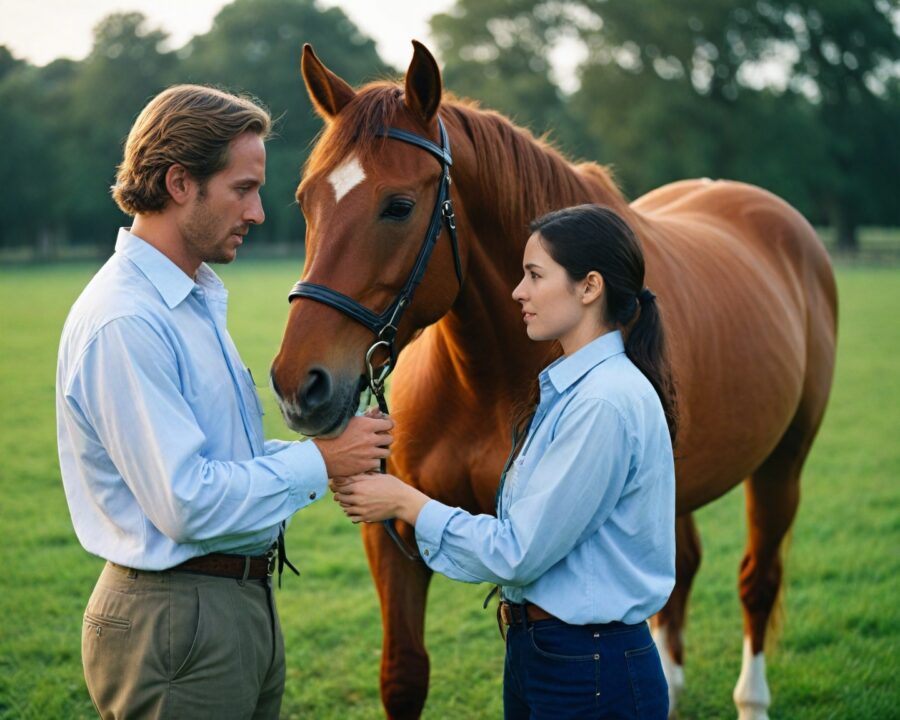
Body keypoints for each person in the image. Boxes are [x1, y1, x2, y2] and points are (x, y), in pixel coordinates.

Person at [56, 84, 394, 720]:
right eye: (243, 189)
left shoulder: (189, 300)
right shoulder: (126, 320)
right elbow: (187, 500)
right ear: (180, 183)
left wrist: (338, 453)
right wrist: (320, 461)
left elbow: (221, 459)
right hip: (177, 622)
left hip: (232, 608)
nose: (259, 212)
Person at [333, 204, 677, 719]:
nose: (518, 291)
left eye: (535, 275)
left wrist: (406, 501)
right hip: (552, 654)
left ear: (589, 288)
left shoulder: (601, 403)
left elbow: (518, 552)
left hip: (589, 669)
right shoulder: (573, 389)